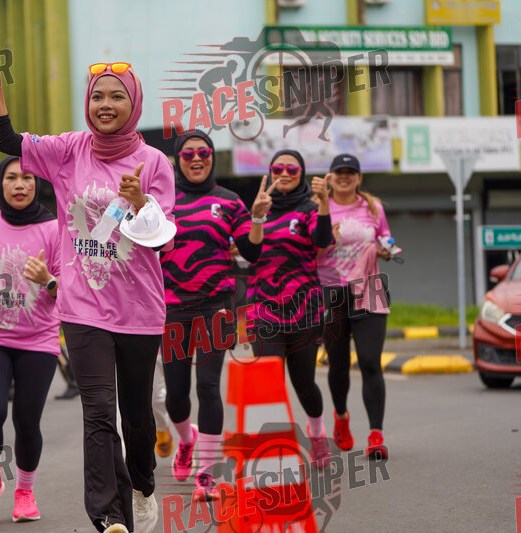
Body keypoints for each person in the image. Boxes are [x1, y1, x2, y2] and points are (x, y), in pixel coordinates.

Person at [0, 28, 175, 533]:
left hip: (139, 310)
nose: (106, 105)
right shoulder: (68, 150)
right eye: (97, 96)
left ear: (134, 104)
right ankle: (108, 516)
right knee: (99, 412)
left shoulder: (154, 163)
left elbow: (162, 243)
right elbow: (7, 140)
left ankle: (143, 484)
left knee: (135, 415)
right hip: (82, 305)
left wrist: (139, 203)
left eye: (117, 97)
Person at [158, 131, 263, 498]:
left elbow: (251, 253)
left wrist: (258, 219)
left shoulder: (230, 201)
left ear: (212, 156)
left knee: (207, 386)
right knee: (176, 393)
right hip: (172, 308)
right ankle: (186, 440)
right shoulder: (164, 201)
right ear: (178, 160)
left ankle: (206, 473)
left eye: (203, 152)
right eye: (188, 154)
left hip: (215, 306)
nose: (197, 158)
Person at [0, 155, 60, 523]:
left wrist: (47, 280)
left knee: (27, 420)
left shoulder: (55, 229)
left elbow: (70, 290)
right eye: (11, 178)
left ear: (37, 184)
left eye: (27, 178)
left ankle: (24, 492)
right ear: (0, 184)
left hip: (39, 339)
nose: (20, 185)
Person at [248, 150, 334, 468]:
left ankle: (317, 434)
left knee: (304, 383)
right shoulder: (258, 207)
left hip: (304, 311)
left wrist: (323, 203)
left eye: (292, 169)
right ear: (270, 172)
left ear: (302, 174)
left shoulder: (309, 209)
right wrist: (257, 216)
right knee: (268, 384)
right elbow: (250, 252)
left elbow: (322, 241)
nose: (284, 173)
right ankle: (275, 450)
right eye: (278, 168)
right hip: (264, 310)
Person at [316, 153, 392, 460]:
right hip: (331, 290)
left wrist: (387, 248)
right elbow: (309, 247)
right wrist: (325, 238)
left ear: (359, 178)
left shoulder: (373, 207)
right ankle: (341, 417)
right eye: (339, 172)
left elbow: (386, 238)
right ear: (331, 177)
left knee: (371, 362)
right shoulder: (319, 206)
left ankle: (376, 435)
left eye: (351, 172)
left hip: (369, 287)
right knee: (338, 363)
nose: (345, 177)